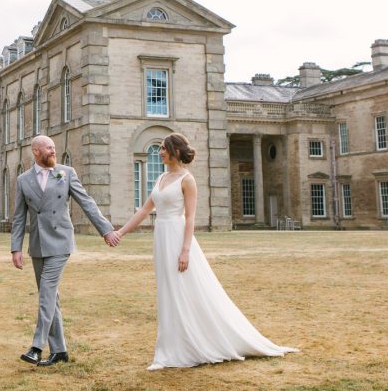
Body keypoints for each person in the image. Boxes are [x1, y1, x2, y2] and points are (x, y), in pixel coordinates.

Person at [116, 133, 297, 371]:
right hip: (161, 238)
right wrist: (120, 232)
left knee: (184, 290)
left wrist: (185, 251)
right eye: (159, 148)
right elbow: (144, 211)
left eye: (162, 148)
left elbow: (190, 217)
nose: (159, 152)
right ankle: (169, 349)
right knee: (168, 292)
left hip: (178, 236)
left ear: (174, 151)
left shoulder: (187, 179)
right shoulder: (161, 177)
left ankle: (184, 349)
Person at [11, 135, 121, 367]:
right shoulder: (23, 180)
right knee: (51, 299)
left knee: (46, 294)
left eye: (54, 147)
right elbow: (19, 217)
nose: (53, 151)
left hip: (60, 242)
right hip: (38, 244)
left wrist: (106, 230)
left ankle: (36, 347)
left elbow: (87, 202)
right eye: (48, 148)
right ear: (36, 152)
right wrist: (16, 248)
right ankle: (59, 350)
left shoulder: (66, 172)